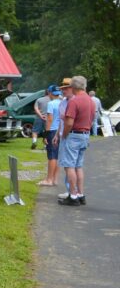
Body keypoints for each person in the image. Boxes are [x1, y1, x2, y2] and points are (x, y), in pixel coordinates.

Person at [57, 76, 94, 206]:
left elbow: (69, 123)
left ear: (73, 87)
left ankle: (72, 196)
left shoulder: (74, 101)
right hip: (85, 134)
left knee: (69, 166)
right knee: (79, 166)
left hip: (73, 135)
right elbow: (92, 118)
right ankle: (81, 194)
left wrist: (64, 135)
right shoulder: (90, 100)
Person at [37, 85, 62, 186]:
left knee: (51, 156)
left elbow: (50, 119)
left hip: (52, 130)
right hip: (60, 130)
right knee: (58, 155)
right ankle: (55, 179)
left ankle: (49, 179)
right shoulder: (63, 102)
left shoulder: (51, 104)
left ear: (50, 93)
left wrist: (45, 134)